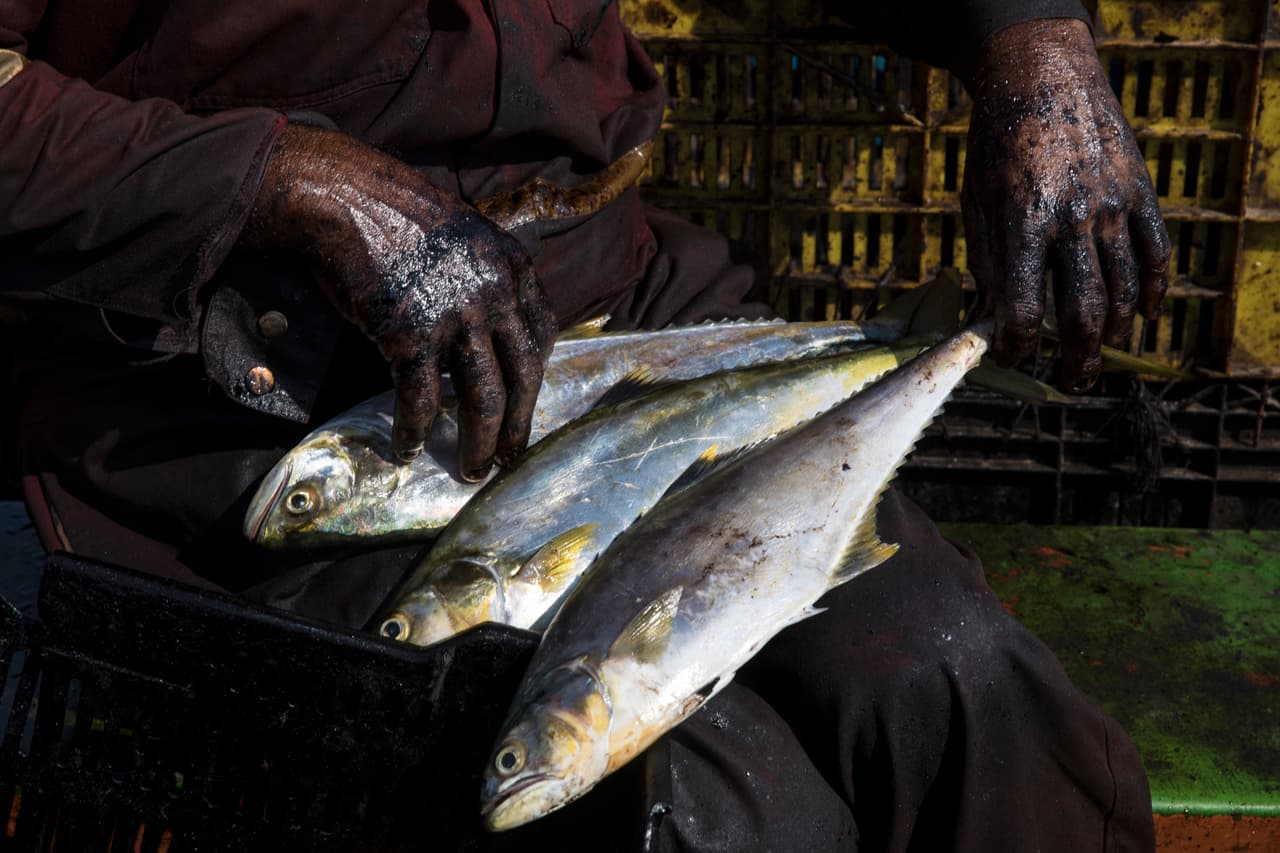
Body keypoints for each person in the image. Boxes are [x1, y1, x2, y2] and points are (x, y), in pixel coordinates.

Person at [1, 0, 1168, 849]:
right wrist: (285, 184)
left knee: (955, 691)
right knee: (710, 812)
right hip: (250, 404)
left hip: (602, 328)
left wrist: (1028, 38)